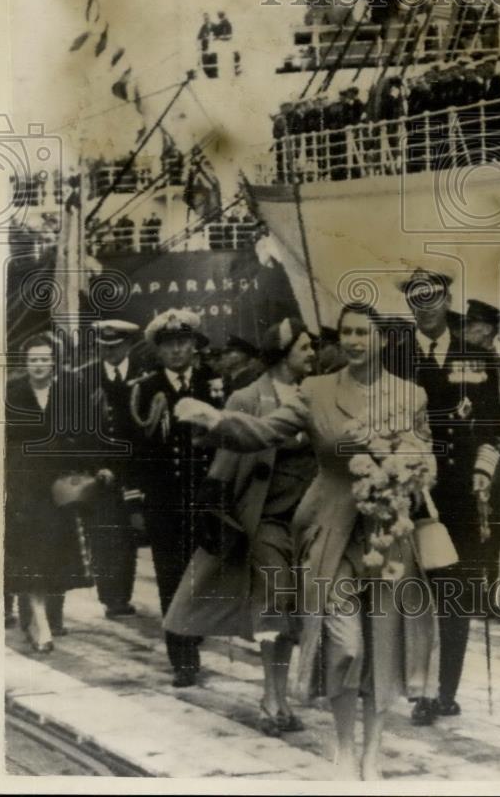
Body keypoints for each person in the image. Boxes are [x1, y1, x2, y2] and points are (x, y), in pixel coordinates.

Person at [175, 302, 436, 780]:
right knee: (346, 645)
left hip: (387, 536)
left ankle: (372, 755)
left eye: (364, 332)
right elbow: (264, 431)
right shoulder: (316, 391)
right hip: (329, 531)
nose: (355, 341)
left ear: (383, 340)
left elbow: (425, 457)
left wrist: (409, 466)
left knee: (382, 646)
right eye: (347, 332)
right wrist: (215, 421)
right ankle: (342, 749)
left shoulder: (410, 396)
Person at [165, 319, 317, 736]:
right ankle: (273, 698)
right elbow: (226, 462)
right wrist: (214, 510)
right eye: (305, 348)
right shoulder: (247, 397)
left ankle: (282, 694)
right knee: (273, 605)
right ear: (284, 352)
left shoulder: (314, 394)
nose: (312, 355)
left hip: (307, 523)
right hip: (264, 521)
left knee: (291, 612)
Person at [392, 269, 500, 725]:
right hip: (412, 491)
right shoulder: (394, 358)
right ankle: (420, 689)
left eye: (434, 296)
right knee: (416, 592)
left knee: (456, 592)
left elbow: (494, 424)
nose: (427, 305)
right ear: (411, 304)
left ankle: (446, 689)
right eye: (418, 298)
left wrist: (484, 472)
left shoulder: (478, 357)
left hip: (459, 490)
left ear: (447, 298)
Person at [129, 309, 225, 687]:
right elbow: (135, 450)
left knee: (201, 577)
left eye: (183, 343)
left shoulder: (213, 385)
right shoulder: (146, 389)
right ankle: (183, 658)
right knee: (171, 579)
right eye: (169, 344)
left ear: (194, 346)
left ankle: (193, 632)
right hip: (164, 503)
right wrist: (135, 502)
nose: (176, 351)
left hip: (204, 499)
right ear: (159, 349)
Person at [5, 334, 96, 652]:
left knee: (55, 555)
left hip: (60, 486)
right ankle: (39, 621)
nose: (40, 365)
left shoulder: (70, 391)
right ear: (25, 363)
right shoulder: (11, 393)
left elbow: (84, 434)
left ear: (53, 361)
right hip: (24, 486)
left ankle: (45, 618)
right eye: (33, 360)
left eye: (45, 359)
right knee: (31, 554)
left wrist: (84, 472)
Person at [80, 320, 142, 620]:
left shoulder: (143, 374)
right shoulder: (87, 377)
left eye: (115, 347)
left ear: (128, 345)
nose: (109, 353)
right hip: (101, 472)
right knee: (104, 534)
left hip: (136, 470)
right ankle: (111, 598)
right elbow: (82, 429)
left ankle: (124, 594)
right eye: (104, 347)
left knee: (130, 534)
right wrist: (97, 466)